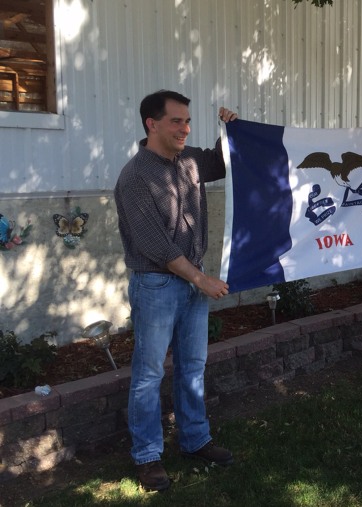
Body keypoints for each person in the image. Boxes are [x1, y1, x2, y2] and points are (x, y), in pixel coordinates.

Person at [114, 90, 238, 491]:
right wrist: (201, 280)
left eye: (187, 121)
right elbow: (156, 245)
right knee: (149, 374)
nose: (185, 128)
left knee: (192, 367)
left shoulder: (190, 161)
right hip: (157, 285)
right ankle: (148, 457)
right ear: (152, 124)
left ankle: (195, 439)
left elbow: (224, 160)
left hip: (191, 284)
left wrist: (230, 129)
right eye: (176, 121)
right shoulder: (134, 177)